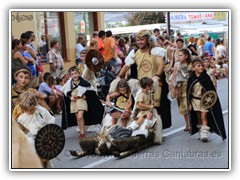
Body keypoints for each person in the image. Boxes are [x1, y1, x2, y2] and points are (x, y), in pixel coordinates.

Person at [119, 29, 172, 129]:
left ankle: (157, 130)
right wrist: (118, 77)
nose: (139, 42)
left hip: (154, 84)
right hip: (142, 86)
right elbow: (126, 66)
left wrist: (156, 76)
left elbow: (161, 64)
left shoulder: (156, 50)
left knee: (156, 108)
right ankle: (143, 129)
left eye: (142, 39)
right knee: (142, 108)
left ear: (147, 40)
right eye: (138, 40)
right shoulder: (135, 53)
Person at [187, 58, 227, 142]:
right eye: (198, 66)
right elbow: (189, 92)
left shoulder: (206, 77)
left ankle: (204, 135)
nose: (201, 67)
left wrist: (210, 100)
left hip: (205, 101)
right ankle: (201, 130)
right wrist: (189, 103)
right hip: (195, 101)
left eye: (202, 65)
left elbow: (211, 91)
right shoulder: (191, 78)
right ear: (193, 68)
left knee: (204, 116)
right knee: (198, 117)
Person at [16, 91, 55, 167]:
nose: (29, 112)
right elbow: (21, 133)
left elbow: (51, 123)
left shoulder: (42, 111)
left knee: (45, 163)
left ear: (35, 104)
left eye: (31, 109)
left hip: (44, 143)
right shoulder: (21, 118)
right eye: (26, 110)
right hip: (31, 146)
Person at [61, 66, 90, 139]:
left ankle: (83, 132)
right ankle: (81, 132)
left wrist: (85, 96)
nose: (75, 75)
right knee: (77, 118)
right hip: (74, 102)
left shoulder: (83, 82)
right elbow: (65, 92)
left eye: (76, 73)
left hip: (81, 100)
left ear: (79, 74)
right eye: (73, 74)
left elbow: (89, 90)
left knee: (80, 116)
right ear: (70, 76)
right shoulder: (69, 83)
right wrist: (70, 97)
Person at [170, 48, 192, 131]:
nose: (179, 57)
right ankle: (187, 124)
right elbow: (174, 75)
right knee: (182, 106)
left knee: (187, 105)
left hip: (187, 85)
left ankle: (191, 124)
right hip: (179, 87)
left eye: (181, 55)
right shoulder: (177, 65)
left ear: (186, 56)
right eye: (178, 55)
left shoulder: (190, 65)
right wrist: (172, 87)